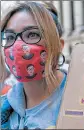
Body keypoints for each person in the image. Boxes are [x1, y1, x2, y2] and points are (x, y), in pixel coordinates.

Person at [1, 1, 67, 129]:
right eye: (9, 37)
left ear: (59, 45)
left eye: (32, 34)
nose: (17, 45)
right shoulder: (4, 107)